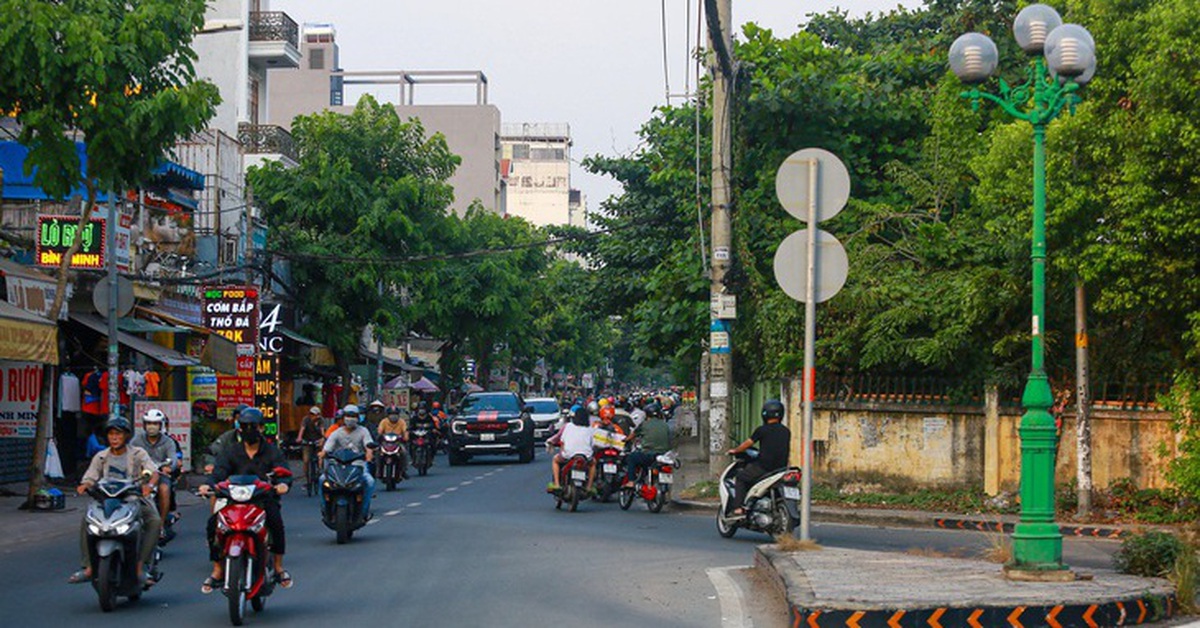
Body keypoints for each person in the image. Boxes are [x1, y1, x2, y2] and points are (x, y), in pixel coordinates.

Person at [198, 408, 292, 593]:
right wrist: (208, 486)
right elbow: (218, 473)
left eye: (253, 426)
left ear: (262, 428)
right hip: (234, 501)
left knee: (275, 522)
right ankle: (217, 569)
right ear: (239, 429)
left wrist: (283, 484)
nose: (249, 430)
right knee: (212, 524)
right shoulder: (231, 452)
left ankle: (279, 567)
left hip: (263, 501)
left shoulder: (272, 452)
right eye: (245, 427)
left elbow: (284, 473)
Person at [68, 417, 162, 586]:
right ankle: (89, 567)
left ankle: (140, 567)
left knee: (154, 521)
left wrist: (149, 485)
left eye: (118, 434)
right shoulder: (101, 457)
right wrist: (85, 485)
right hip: (106, 500)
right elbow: (90, 477)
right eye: (111, 434)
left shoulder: (138, 454)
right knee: (87, 521)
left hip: (134, 498)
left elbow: (153, 472)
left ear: (126, 436)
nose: (114, 437)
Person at [726, 399, 791, 517]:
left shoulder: (762, 430)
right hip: (781, 468)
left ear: (764, 414)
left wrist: (735, 450)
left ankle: (738, 508)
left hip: (764, 467)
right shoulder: (786, 431)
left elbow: (748, 444)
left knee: (740, 477)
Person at [320, 404, 376, 518]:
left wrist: (369, 455)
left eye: (353, 416)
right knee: (322, 480)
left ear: (358, 417)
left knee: (369, 481)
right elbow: (327, 447)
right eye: (348, 415)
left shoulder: (363, 431)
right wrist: (323, 453)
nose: (350, 419)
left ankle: (363, 511)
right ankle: (325, 508)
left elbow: (368, 445)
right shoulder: (337, 433)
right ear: (343, 417)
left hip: (358, 465)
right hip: (338, 466)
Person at [130, 408, 179, 524]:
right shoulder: (137, 440)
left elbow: (174, 459)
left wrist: (169, 467)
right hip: (141, 475)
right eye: (148, 423)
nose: (151, 426)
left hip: (161, 474)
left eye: (155, 423)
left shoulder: (168, 441)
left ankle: (160, 524)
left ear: (161, 425)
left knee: (164, 489)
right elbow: (129, 454)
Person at [546, 407, 596, 494]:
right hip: (585, 456)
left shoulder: (567, 426)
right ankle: (589, 486)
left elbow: (559, 438)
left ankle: (557, 484)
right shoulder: (590, 429)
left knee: (555, 460)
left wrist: (550, 442)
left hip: (568, 455)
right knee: (593, 463)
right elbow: (593, 444)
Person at [623, 401, 672, 487]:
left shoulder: (644, 424)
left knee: (631, 458)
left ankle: (631, 481)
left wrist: (624, 440)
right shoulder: (665, 425)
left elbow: (632, 435)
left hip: (649, 454)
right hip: (664, 455)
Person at [205, 403, 249, 474]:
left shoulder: (258, 439)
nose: (240, 423)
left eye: (243, 420)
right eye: (237, 419)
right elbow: (212, 452)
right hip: (230, 477)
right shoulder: (227, 437)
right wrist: (211, 464)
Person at [376, 407, 410, 479]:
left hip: (397, 442)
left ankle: (403, 470)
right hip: (385, 443)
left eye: (395, 414)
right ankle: (379, 470)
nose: (393, 416)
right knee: (378, 453)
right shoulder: (384, 422)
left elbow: (405, 431)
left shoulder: (402, 422)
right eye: (391, 414)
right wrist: (379, 436)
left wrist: (405, 437)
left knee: (404, 452)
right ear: (388, 415)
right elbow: (380, 431)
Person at [295, 406, 325, 481]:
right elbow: (302, 428)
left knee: (320, 456)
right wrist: (299, 437)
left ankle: (319, 470)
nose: (312, 416)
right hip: (307, 441)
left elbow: (322, 431)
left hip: (317, 440)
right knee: (306, 460)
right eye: (311, 414)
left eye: (314, 414)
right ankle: (306, 477)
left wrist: (323, 438)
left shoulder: (320, 420)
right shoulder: (306, 419)